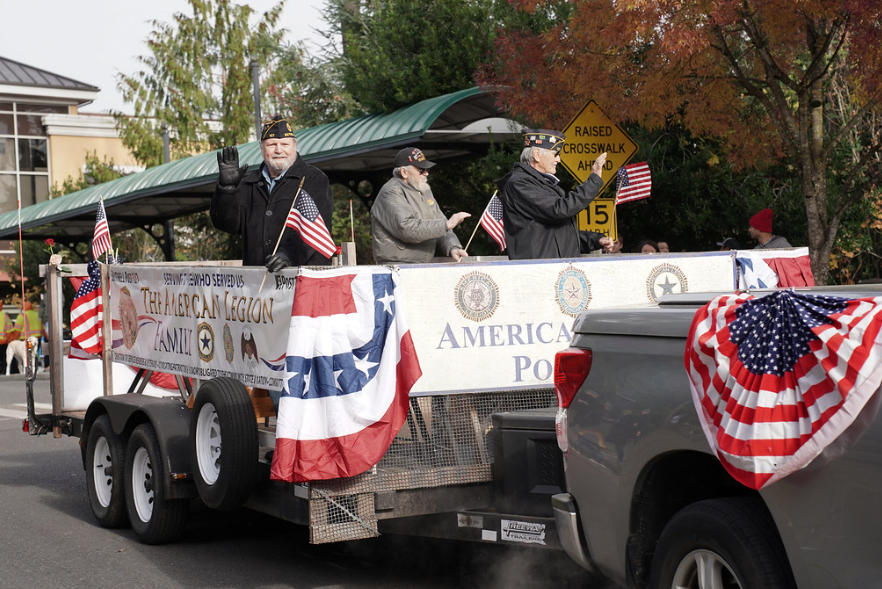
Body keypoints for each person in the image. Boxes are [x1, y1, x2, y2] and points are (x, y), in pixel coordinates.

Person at [211, 115, 334, 271]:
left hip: (301, 281)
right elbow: (226, 224)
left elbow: (318, 229)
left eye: (284, 144)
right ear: (262, 148)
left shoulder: (313, 179)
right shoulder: (249, 183)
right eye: (271, 144)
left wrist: (289, 254)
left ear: (294, 146)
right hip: (259, 283)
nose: (278, 150)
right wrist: (227, 189)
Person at [498, 128, 612, 260]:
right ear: (536, 154)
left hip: (554, 270)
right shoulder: (520, 183)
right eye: (556, 154)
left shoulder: (541, 184)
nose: (559, 159)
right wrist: (594, 180)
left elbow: (558, 235)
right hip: (538, 272)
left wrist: (596, 240)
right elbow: (559, 209)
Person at [371, 147, 470, 264]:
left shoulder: (424, 190)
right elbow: (406, 228)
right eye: (421, 169)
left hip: (422, 266)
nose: (426, 173)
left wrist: (453, 248)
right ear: (404, 172)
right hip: (397, 267)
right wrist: (446, 224)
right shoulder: (391, 192)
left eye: (427, 169)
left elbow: (440, 224)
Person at [0, 301, 10, 374]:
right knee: (4, 358)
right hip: (3, 341)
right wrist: (9, 342)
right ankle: (3, 372)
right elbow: (9, 331)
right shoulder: (5, 316)